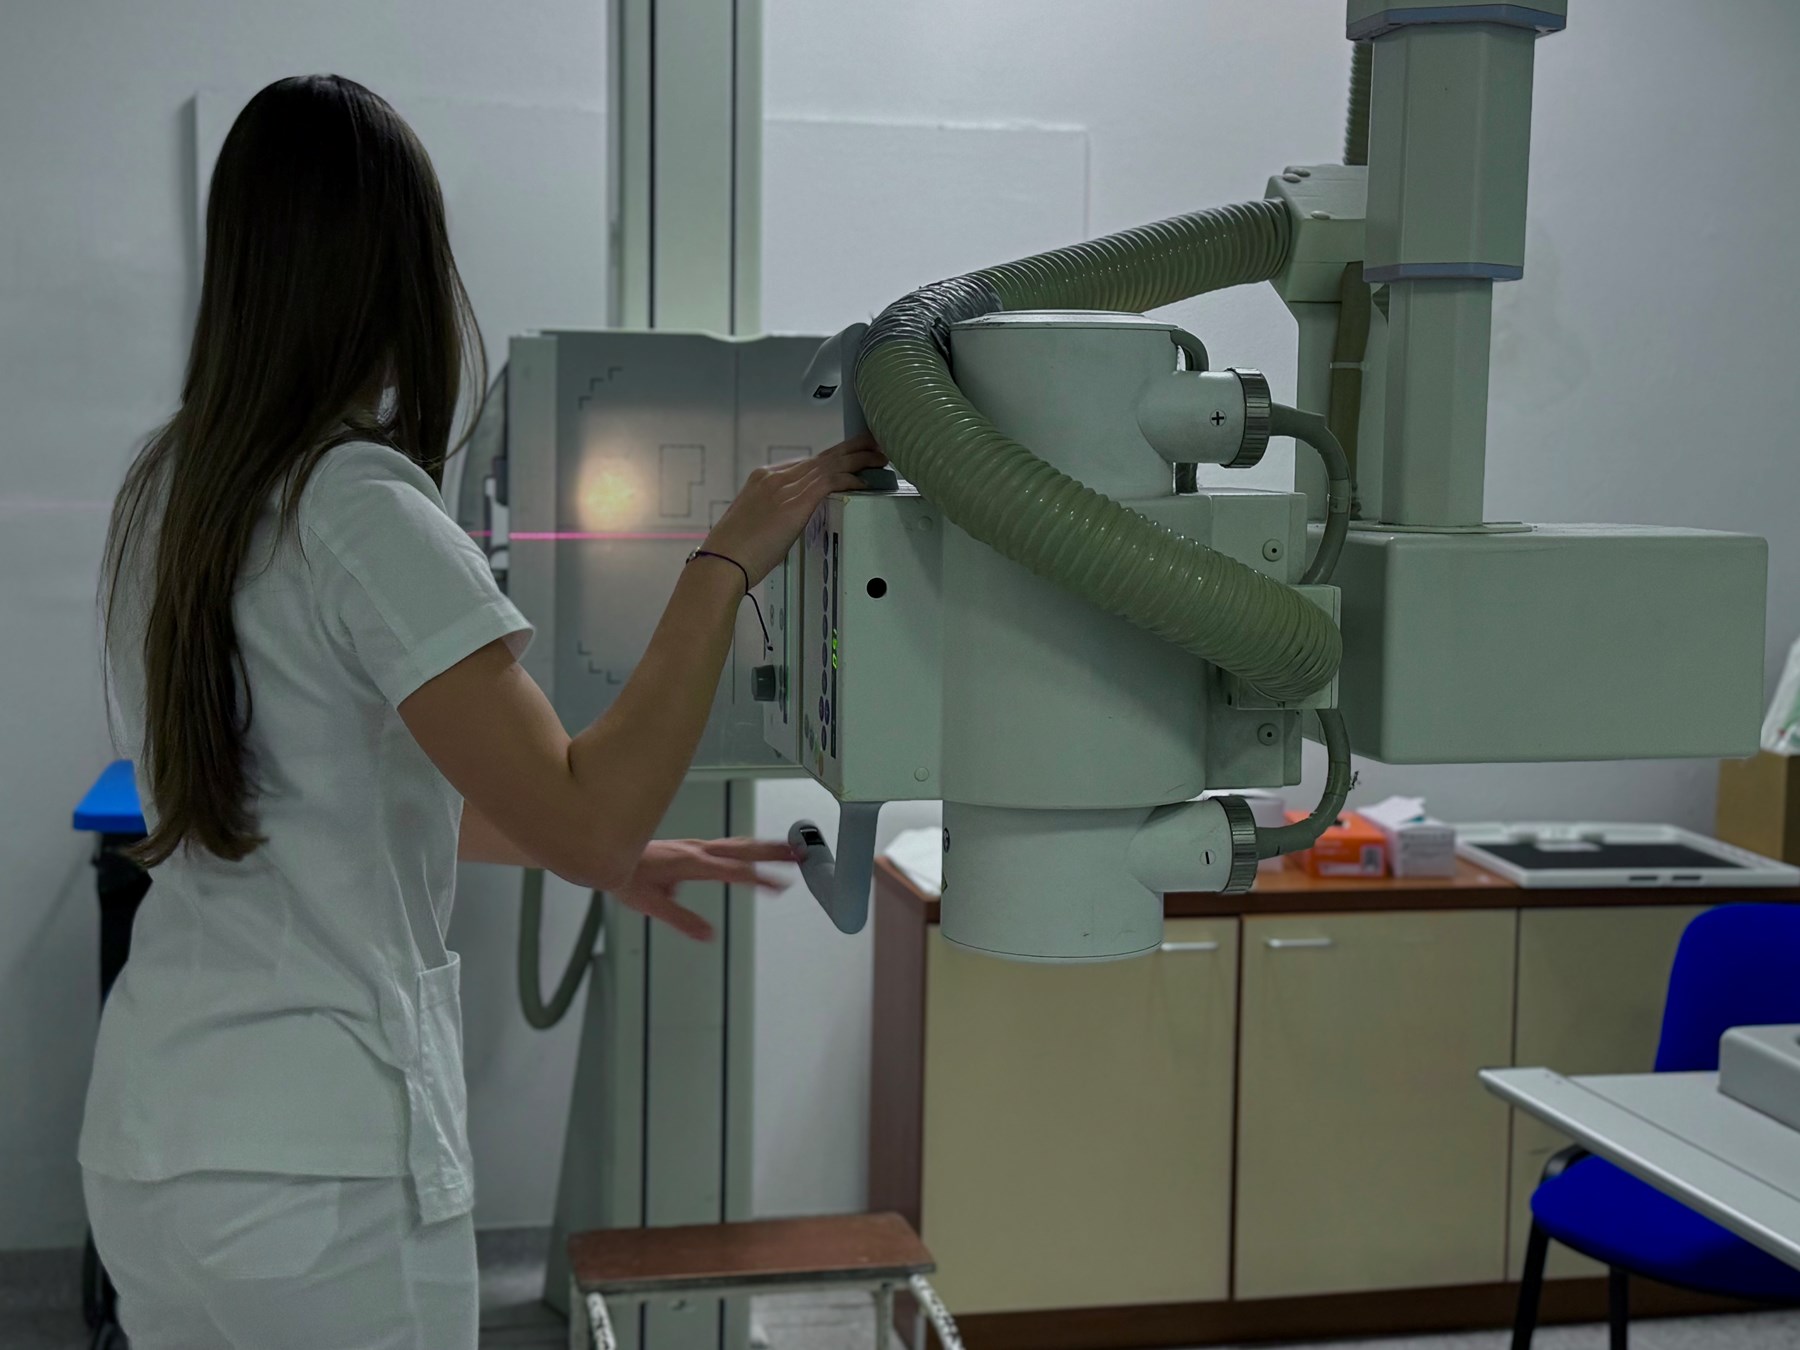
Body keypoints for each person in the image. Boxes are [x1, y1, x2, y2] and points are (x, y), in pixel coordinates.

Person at [82, 74, 882, 1349]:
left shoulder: (169, 486)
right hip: (322, 1181)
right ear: (398, 269)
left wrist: (593, 849)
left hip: (155, 1150)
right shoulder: (358, 507)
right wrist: (726, 560)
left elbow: (318, 792)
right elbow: (592, 818)